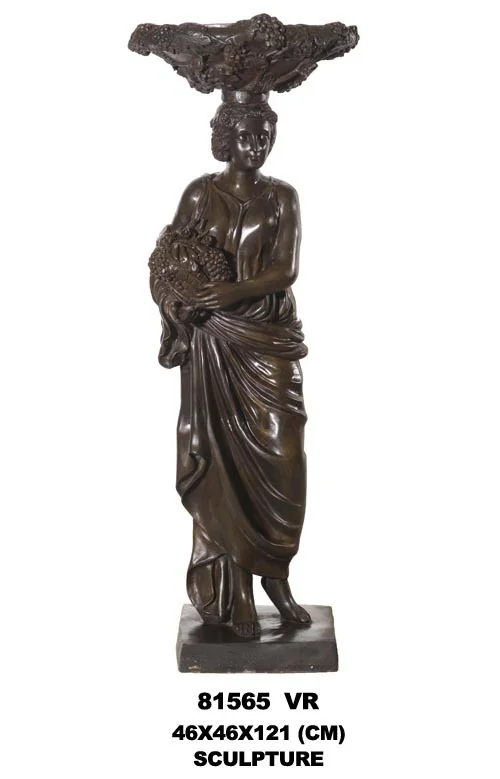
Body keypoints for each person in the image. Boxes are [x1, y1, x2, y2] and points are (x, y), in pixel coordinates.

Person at [151, 93, 312, 638]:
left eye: (265, 136)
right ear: (225, 138)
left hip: (266, 338)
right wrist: (181, 303)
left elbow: (284, 270)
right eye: (246, 135)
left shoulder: (282, 197)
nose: (256, 145)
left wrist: (229, 292)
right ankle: (238, 589)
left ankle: (277, 578)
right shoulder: (201, 194)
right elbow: (168, 261)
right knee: (219, 457)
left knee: (285, 457)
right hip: (212, 343)